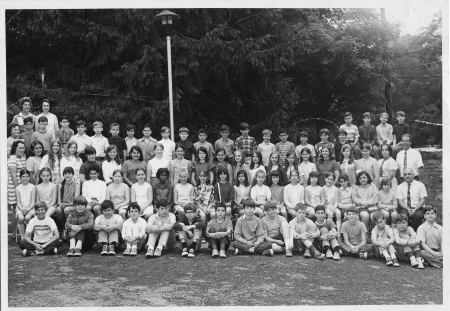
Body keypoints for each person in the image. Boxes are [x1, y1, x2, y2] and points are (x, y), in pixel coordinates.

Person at [15, 169, 37, 239]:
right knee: (21, 218)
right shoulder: (18, 188)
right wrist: (22, 209)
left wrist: (28, 209)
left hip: (30, 208)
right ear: (20, 177)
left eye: (27, 176)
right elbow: (18, 202)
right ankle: (22, 237)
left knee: (27, 218)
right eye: (23, 176)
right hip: (20, 208)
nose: (25, 178)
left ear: (29, 177)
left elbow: (33, 201)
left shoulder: (33, 187)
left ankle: (28, 237)